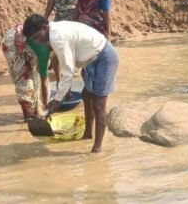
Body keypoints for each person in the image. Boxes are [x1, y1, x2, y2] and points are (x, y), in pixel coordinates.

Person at [24, 15, 120, 153]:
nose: (37, 41)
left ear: (44, 28)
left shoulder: (58, 37)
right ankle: (87, 134)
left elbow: (68, 72)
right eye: (33, 39)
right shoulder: (52, 33)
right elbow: (66, 63)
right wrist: (62, 92)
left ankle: (97, 149)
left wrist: (57, 100)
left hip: (103, 57)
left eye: (37, 36)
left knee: (99, 104)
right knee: (86, 95)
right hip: (90, 59)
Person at [3, 24, 59, 119]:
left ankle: (36, 111)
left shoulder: (58, 41)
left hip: (31, 43)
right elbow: (44, 81)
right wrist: (47, 109)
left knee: (35, 78)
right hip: (14, 43)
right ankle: (28, 117)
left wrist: (59, 80)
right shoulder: (43, 52)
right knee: (24, 84)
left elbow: (55, 59)